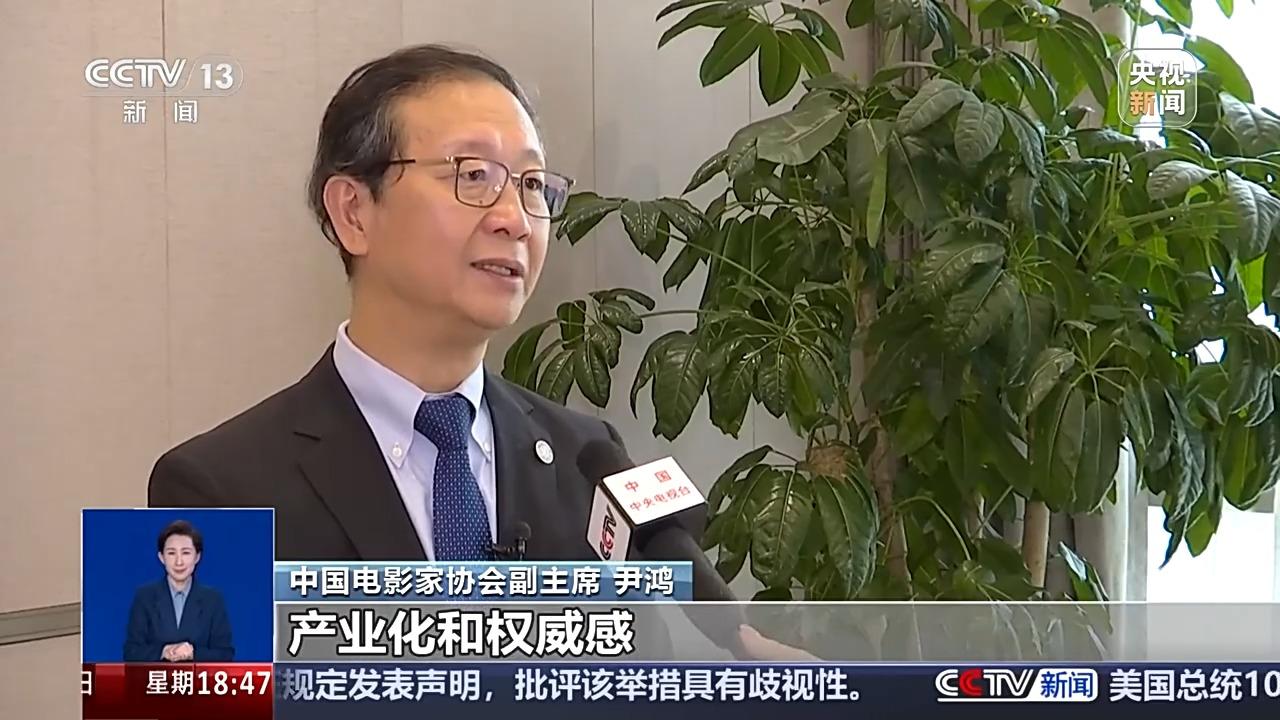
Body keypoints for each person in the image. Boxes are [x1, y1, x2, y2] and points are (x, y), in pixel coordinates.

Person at [147, 44, 811, 662]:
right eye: (473, 175)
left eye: (532, 185)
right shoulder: (216, 491)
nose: (515, 219)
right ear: (354, 212)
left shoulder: (587, 459)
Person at [123, 520, 235, 662]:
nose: (179, 562)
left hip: (198, 677)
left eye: (186, 553)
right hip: (157, 676)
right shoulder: (144, 597)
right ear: (161, 557)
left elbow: (226, 654)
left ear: (197, 557)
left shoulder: (213, 600)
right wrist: (163, 651)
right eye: (171, 553)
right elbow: (131, 652)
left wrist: (193, 653)